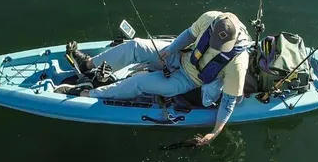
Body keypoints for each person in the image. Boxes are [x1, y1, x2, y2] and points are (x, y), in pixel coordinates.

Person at [55, 10, 253, 145]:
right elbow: (189, 35)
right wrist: (171, 49)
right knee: (136, 45)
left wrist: (215, 132)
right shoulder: (212, 17)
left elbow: (228, 102)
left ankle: (88, 92)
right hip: (180, 55)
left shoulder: (238, 61)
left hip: (188, 80)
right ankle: (88, 65)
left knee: (140, 82)